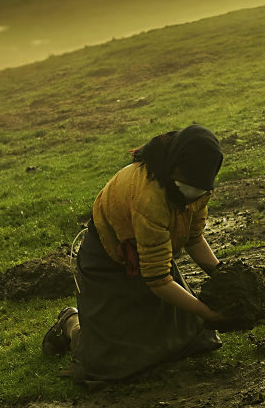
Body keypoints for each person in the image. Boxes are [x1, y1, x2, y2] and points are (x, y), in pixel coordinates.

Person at [44, 124, 227, 383]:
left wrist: (222, 274)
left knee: (196, 340)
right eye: (188, 184)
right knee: (113, 366)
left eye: (199, 187)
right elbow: (158, 280)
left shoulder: (199, 187)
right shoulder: (151, 196)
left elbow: (194, 239)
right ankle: (71, 324)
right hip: (109, 261)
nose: (193, 193)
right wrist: (207, 313)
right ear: (176, 166)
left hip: (150, 256)